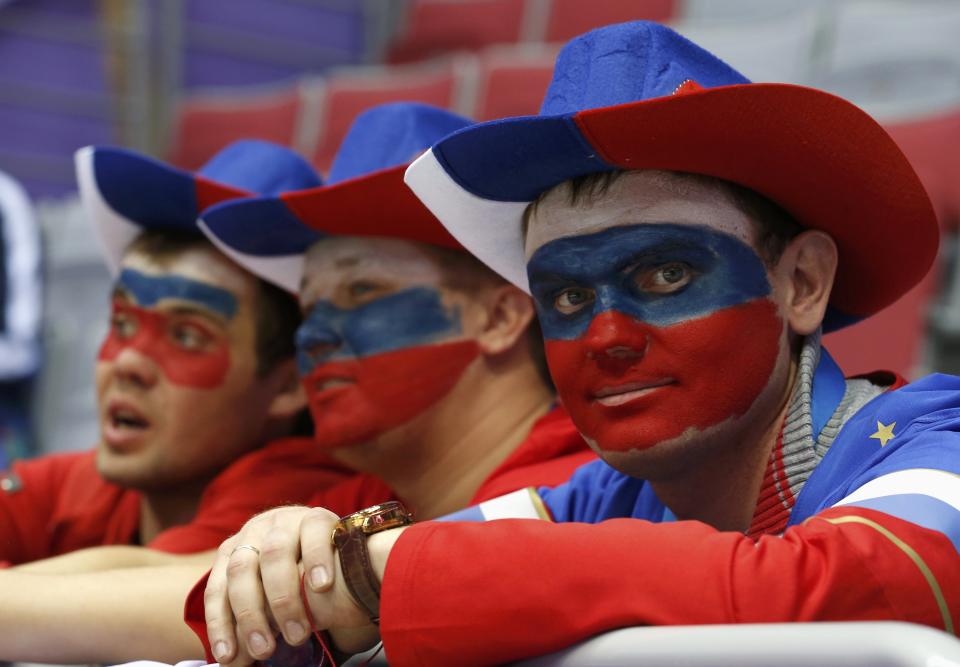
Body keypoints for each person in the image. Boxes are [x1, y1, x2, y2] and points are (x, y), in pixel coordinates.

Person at [204, 21, 960, 667]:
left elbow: (876, 586)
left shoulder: (937, 436)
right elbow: (290, 610)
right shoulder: (603, 496)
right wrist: (284, 559)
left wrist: (372, 570)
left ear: (801, 283)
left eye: (665, 273)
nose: (607, 339)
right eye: (566, 295)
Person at [187, 102, 593, 660]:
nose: (311, 339)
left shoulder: (577, 483)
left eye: (361, 292)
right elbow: (161, 577)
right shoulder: (372, 494)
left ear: (499, 318)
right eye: (309, 308)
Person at [0, 141, 353, 663]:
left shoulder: (299, 493)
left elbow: (139, 598)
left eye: (187, 336)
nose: (126, 363)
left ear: (286, 385)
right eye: (121, 324)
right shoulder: (92, 482)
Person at [0, 170, 41, 466]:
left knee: (15, 463)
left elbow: (23, 272)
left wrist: (17, 340)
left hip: (9, 361)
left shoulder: (6, 197)